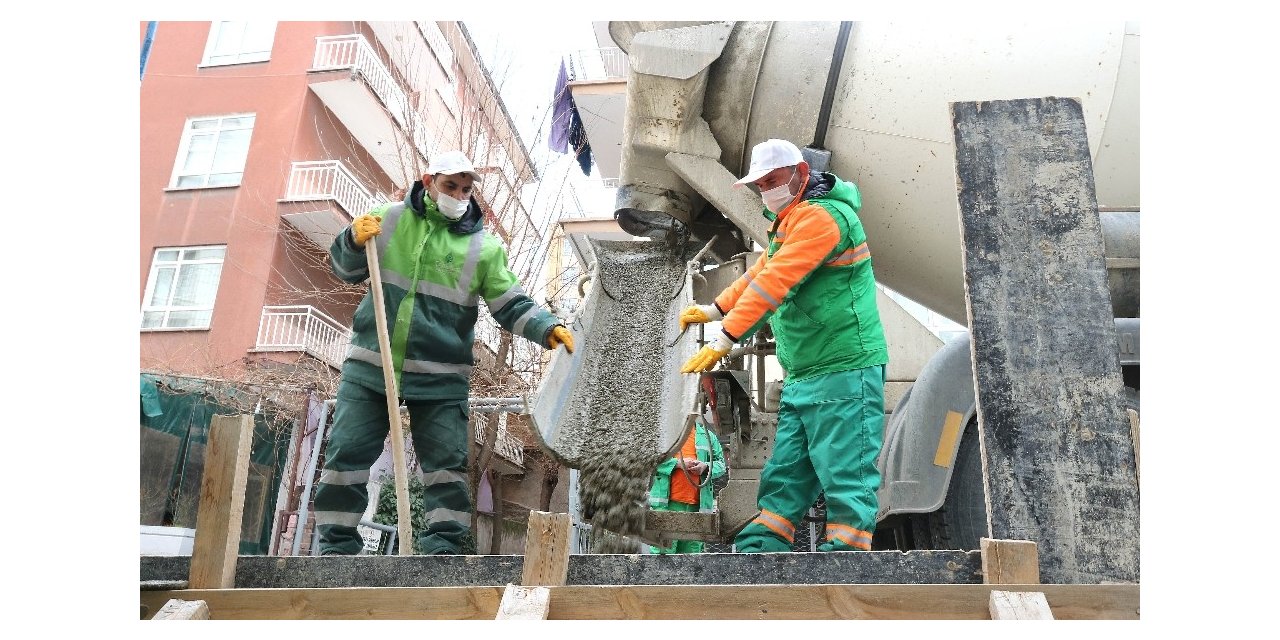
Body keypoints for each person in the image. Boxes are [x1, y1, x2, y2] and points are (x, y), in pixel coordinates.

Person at [315, 150, 575, 555]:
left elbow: (511, 305)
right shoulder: (388, 220)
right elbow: (344, 270)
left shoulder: (483, 249)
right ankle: (335, 552)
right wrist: (350, 240)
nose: (458, 194)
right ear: (428, 181)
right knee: (345, 456)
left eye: (466, 189)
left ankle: (443, 555)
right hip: (372, 366)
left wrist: (548, 328)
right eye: (450, 185)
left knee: (446, 470)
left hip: (440, 378)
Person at [678, 138, 888, 553]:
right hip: (806, 373)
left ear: (802, 174)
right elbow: (761, 271)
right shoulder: (791, 222)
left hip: (844, 368)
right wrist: (715, 309)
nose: (767, 191)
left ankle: (844, 565)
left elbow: (776, 282)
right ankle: (760, 551)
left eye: (773, 181)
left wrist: (726, 336)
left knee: (846, 473)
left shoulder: (824, 219)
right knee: (787, 471)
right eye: (761, 185)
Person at [646, 410, 726, 554]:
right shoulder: (665, 435)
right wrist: (677, 464)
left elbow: (721, 464)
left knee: (691, 557)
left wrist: (705, 466)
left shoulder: (707, 437)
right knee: (663, 554)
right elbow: (649, 459)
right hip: (668, 506)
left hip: (696, 509)